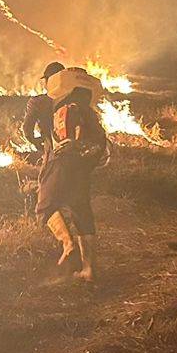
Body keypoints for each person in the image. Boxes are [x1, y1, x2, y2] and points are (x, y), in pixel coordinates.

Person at [36, 82, 107, 282]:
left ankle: (68, 245)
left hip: (61, 164)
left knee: (45, 206)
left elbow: (62, 137)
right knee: (82, 213)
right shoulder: (91, 113)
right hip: (83, 169)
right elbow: (100, 143)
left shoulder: (64, 108)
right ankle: (89, 269)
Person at [22, 62, 65, 163]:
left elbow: (27, 130)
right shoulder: (79, 99)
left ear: (49, 81)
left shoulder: (38, 102)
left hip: (54, 157)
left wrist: (38, 142)